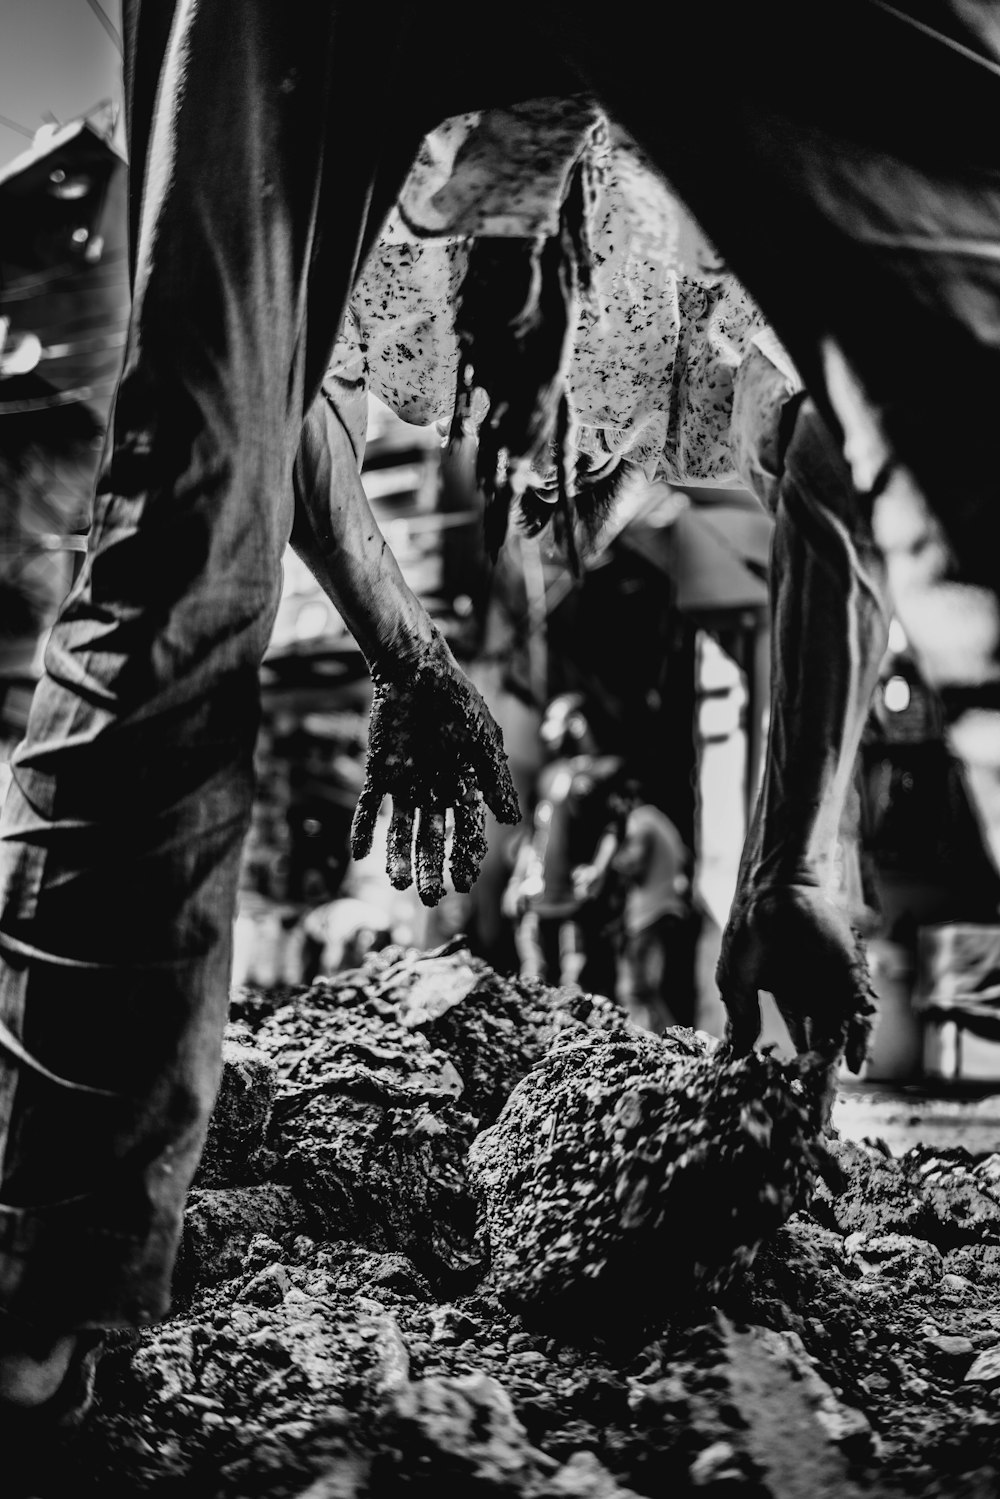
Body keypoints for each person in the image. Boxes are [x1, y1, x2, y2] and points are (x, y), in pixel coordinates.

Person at [6, 0, 1000, 1424]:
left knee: (963, 361)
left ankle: (38, 1296)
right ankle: (43, 1296)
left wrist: (793, 855)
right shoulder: (366, 177)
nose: (509, 430)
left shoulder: (653, 258)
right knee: (177, 525)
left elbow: (845, 436)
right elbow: (251, 422)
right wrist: (407, 650)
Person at [503, 694, 624, 996]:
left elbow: (613, 828)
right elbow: (535, 833)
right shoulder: (549, 775)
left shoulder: (608, 771)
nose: (545, 731)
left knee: (574, 983)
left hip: (575, 898)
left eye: (552, 722)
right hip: (535, 895)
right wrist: (516, 881)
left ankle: (569, 1040)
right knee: (531, 979)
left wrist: (598, 869)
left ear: (577, 723)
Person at [586, 789, 696, 1035]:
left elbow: (634, 863)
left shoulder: (641, 821)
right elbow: (685, 859)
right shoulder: (661, 821)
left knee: (634, 989)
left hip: (649, 914)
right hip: (665, 909)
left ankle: (644, 1042)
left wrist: (609, 858)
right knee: (649, 989)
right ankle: (673, 1042)